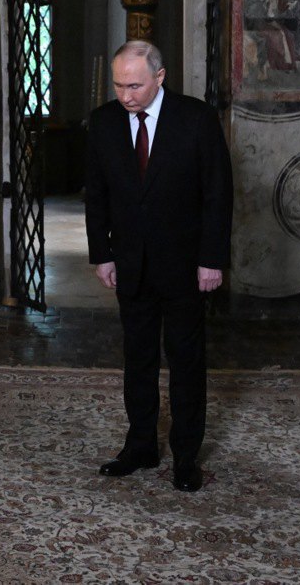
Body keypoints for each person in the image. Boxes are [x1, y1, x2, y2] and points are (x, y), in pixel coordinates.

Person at [84, 41, 233, 493]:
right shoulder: (104, 122)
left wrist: (212, 259)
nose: (125, 95)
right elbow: (97, 193)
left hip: (187, 266)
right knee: (139, 359)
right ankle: (141, 446)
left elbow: (218, 195)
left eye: (135, 85)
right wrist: (102, 254)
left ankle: (186, 456)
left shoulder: (197, 119)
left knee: (186, 361)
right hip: (131, 263)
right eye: (118, 84)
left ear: (160, 77)